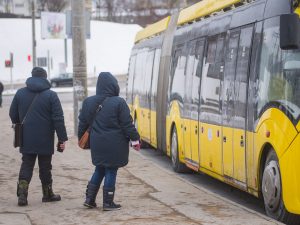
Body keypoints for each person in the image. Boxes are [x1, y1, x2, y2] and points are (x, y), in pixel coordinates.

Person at [78, 72, 140, 211]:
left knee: (99, 168)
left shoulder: (88, 102)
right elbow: (127, 124)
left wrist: (82, 139)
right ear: (114, 86)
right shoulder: (119, 102)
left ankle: (89, 199)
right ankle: (107, 203)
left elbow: (82, 124)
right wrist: (135, 138)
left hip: (97, 143)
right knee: (111, 170)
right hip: (115, 144)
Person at [9, 67, 68, 206]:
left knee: (27, 164)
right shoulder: (51, 95)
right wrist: (62, 138)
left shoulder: (20, 93)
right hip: (45, 137)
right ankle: (47, 194)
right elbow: (58, 118)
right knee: (45, 167)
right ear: (45, 78)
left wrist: (20, 124)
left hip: (26, 136)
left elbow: (12, 113)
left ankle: (22, 195)